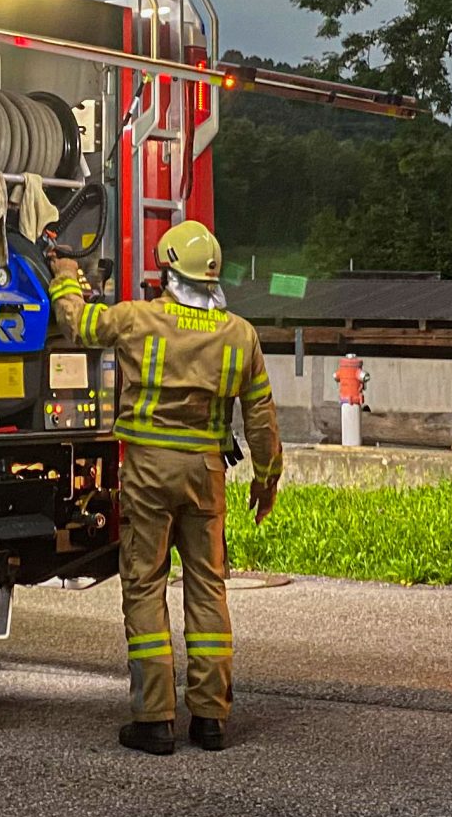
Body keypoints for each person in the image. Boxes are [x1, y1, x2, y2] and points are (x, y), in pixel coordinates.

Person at [48, 219, 281, 756]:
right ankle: (211, 719)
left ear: (168, 274)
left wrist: (65, 275)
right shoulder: (241, 335)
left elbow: (79, 324)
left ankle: (154, 720)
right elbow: (261, 417)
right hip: (206, 475)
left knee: (145, 585)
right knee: (208, 588)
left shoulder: (139, 318)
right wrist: (267, 479)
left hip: (150, 472)